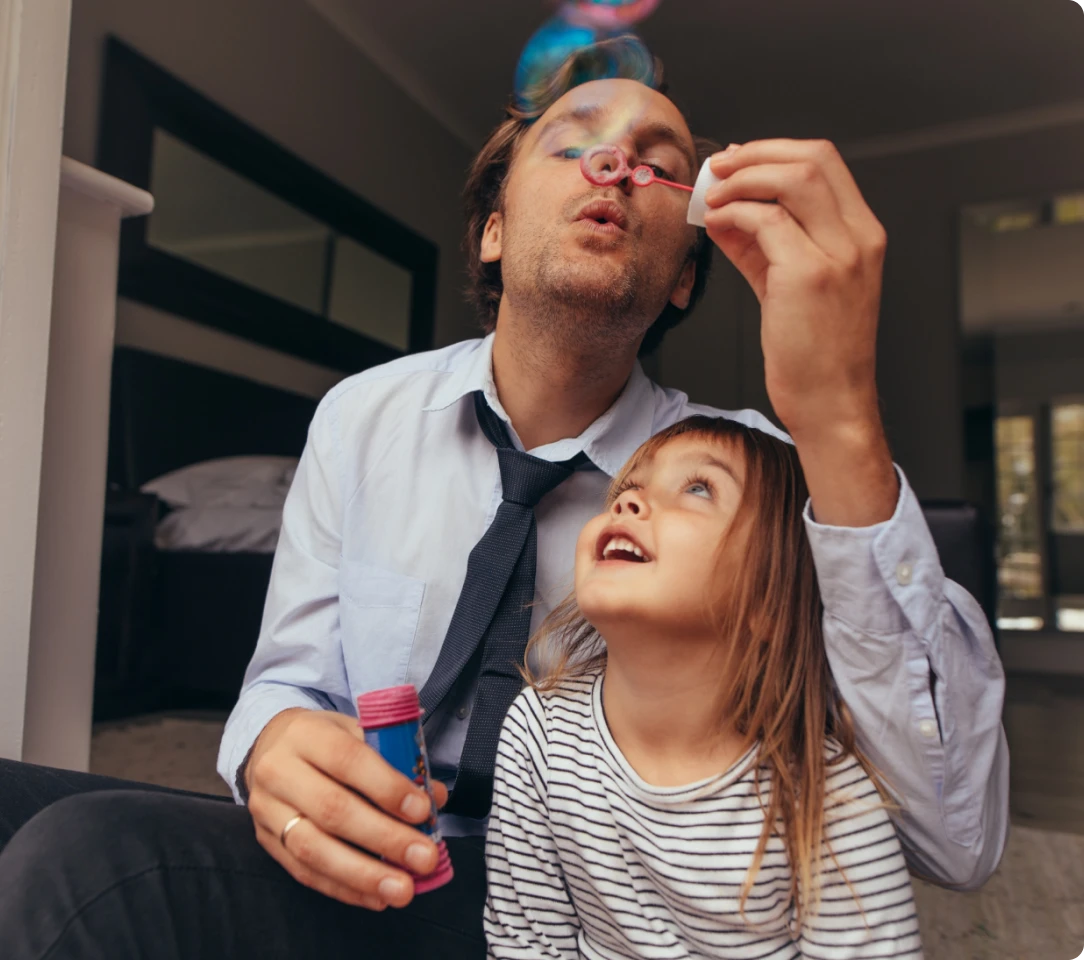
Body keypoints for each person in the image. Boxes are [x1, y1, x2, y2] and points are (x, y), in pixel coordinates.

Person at [0, 39, 1005, 959]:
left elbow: (953, 842)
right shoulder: (362, 417)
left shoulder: (754, 477)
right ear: (490, 232)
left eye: (655, 159)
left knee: (93, 858)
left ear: (689, 275)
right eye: (574, 145)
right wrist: (267, 745)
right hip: (381, 867)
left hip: (574, 913)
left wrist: (839, 420)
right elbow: (288, 680)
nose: (616, 165)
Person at [485, 415, 923, 959]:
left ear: (770, 596)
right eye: (626, 488)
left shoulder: (826, 795)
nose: (627, 502)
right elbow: (526, 943)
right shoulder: (539, 728)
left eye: (698, 488)